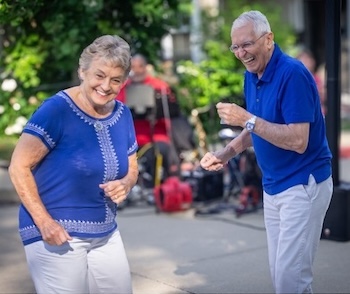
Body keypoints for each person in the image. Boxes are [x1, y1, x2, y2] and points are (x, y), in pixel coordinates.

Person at [200, 10, 333, 294]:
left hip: (302, 185)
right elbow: (259, 126)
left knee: (290, 280)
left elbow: (298, 140)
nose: (240, 53)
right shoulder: (253, 73)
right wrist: (226, 153)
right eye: (235, 46)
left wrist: (246, 118)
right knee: (284, 276)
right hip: (273, 186)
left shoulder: (293, 74)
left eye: (246, 44)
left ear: (268, 39)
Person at [8, 35, 138, 294]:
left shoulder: (123, 114)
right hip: (57, 234)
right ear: (82, 71)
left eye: (115, 80)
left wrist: (126, 183)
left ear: (124, 82)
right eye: (99, 75)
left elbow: (132, 166)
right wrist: (45, 223)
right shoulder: (56, 110)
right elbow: (18, 167)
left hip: (106, 232)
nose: (105, 86)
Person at [117, 54, 186, 188]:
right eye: (133, 67)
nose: (137, 70)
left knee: (162, 151)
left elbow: (171, 111)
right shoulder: (123, 88)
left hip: (157, 135)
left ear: (146, 68)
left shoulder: (159, 86)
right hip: (132, 138)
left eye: (140, 67)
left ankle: (164, 187)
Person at [296, 48, 327, 116]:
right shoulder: (295, 80)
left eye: (308, 59)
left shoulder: (317, 78)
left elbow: (323, 95)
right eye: (303, 59)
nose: (306, 62)